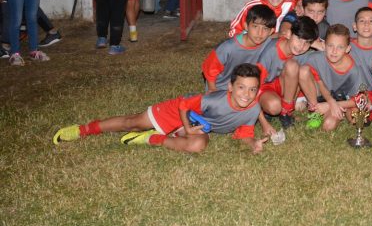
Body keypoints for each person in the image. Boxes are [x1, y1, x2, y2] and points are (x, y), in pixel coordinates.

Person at [53, 63, 272, 154]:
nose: (246, 94)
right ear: (230, 86)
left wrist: (252, 143)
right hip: (178, 112)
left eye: (252, 90)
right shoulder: (214, 99)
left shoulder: (252, 111)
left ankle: (151, 139)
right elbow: (185, 105)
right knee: (133, 122)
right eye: (241, 87)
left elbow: (243, 134)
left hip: (199, 125)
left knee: (197, 146)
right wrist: (186, 126)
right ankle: (83, 130)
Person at [298, 24, 369, 131]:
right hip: (319, 94)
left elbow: (361, 99)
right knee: (303, 70)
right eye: (330, 46)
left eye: (340, 47)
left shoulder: (354, 70)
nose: (334, 51)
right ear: (324, 45)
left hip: (339, 100)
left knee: (329, 125)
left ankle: (328, 111)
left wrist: (332, 104)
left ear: (347, 49)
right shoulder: (315, 58)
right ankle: (315, 111)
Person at [256, 16, 318, 127]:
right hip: (264, 87)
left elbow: (327, 54)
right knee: (274, 106)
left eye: (307, 42)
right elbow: (254, 84)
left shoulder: (303, 52)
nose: (301, 46)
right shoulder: (271, 51)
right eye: (299, 39)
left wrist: (319, 45)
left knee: (300, 68)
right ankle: (270, 109)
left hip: (285, 87)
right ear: (289, 34)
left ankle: (286, 112)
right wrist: (260, 119)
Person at [203, 5, 276, 91]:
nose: (260, 33)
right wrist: (213, 92)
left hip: (248, 91)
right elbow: (209, 69)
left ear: (271, 31)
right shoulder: (228, 47)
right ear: (246, 26)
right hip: (221, 88)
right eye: (255, 26)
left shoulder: (269, 45)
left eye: (265, 28)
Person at [350, 6, 372, 93]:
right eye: (362, 21)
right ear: (355, 26)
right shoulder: (345, 46)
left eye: (371, 21)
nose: (366, 24)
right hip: (348, 95)